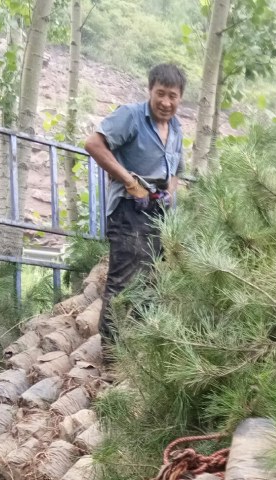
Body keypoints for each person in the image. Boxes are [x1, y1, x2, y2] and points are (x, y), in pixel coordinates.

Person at [84, 62, 187, 343]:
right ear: (150, 91)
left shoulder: (176, 129)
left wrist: (169, 192)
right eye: (160, 93)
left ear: (180, 97)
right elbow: (93, 144)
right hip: (129, 211)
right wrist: (130, 182)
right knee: (123, 281)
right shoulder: (130, 116)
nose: (166, 102)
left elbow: (177, 171)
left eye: (172, 96)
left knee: (151, 280)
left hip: (158, 214)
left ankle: (140, 348)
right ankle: (112, 352)